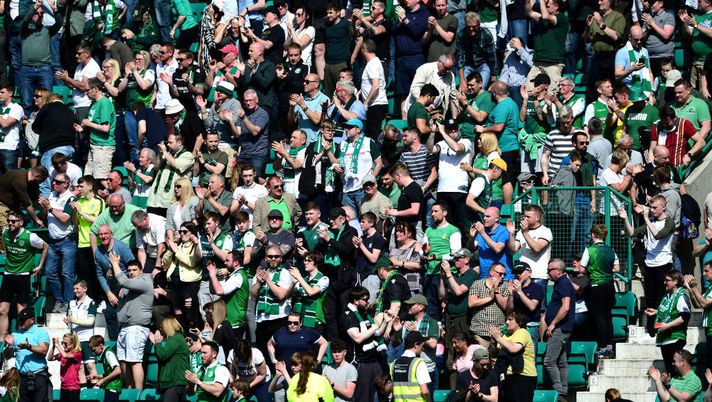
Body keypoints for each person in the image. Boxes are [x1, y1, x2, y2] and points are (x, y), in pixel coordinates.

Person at [0, 209, 47, 338]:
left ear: (21, 222)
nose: (10, 223)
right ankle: (2, 340)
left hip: (23, 275)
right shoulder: (5, 233)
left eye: (13, 221)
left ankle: (21, 338)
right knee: (2, 310)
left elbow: (45, 246)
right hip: (8, 275)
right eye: (9, 221)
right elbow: (6, 246)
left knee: (22, 312)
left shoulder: (30, 237)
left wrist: (40, 265)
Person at [343, 286, 393, 402]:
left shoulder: (365, 314)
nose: (368, 302)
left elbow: (375, 333)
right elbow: (358, 338)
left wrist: (385, 322)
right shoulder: (348, 315)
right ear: (356, 301)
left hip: (374, 361)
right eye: (365, 299)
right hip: (360, 363)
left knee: (380, 395)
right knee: (363, 397)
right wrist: (376, 325)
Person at [111, 256, 153, 391]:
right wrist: (112, 267)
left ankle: (138, 393)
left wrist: (114, 262)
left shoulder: (145, 281)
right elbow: (116, 279)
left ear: (141, 271)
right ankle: (129, 392)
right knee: (123, 362)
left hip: (136, 327)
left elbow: (123, 280)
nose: (131, 272)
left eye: (134, 270)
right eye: (129, 270)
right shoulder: (128, 284)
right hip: (124, 327)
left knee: (134, 361)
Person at [580, 224, 619, 358]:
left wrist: (591, 270)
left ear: (593, 235)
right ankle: (610, 345)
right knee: (608, 316)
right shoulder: (611, 249)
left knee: (599, 318)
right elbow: (617, 268)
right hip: (610, 285)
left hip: (597, 285)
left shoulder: (590, 250)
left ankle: (603, 347)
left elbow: (581, 268)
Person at [541, 259, 576, 401]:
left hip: (560, 328)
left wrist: (553, 324)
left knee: (549, 361)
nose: (548, 272)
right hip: (562, 328)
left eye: (550, 270)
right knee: (561, 362)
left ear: (558, 270)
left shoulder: (563, 283)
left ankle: (559, 391)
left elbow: (565, 306)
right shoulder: (561, 283)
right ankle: (563, 391)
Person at [645, 270, 691, 374]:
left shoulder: (681, 296)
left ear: (675, 281)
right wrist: (656, 312)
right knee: (669, 370)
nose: (664, 282)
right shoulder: (668, 296)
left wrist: (667, 326)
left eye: (667, 280)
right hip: (665, 338)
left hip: (675, 337)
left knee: (675, 370)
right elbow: (670, 312)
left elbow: (684, 317)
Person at [488, 312, 537, 402]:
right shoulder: (505, 336)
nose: (507, 322)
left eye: (510, 320)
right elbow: (494, 354)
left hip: (523, 377)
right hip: (506, 377)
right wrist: (494, 342)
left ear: (520, 322)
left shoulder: (523, 332)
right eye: (506, 319)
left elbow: (513, 348)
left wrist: (498, 338)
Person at [4, 308, 50, 402]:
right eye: (19, 320)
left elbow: (44, 351)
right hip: (22, 377)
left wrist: (29, 347)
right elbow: (7, 356)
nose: (20, 322)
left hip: (39, 376)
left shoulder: (41, 333)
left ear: (32, 320)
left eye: (23, 320)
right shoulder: (15, 334)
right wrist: (8, 347)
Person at [468, 261, 510, 350]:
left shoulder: (505, 286)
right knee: (480, 360)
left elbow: (505, 306)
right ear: (491, 272)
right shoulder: (478, 284)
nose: (502, 276)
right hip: (480, 332)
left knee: (496, 361)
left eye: (504, 274)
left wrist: (496, 291)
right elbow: (471, 303)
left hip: (498, 332)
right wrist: (490, 298)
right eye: (500, 274)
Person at [506, 205, 552, 286]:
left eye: (528, 217)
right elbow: (512, 250)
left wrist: (525, 233)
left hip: (538, 276)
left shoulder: (545, 231)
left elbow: (537, 248)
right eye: (524, 216)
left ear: (537, 218)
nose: (525, 219)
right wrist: (511, 234)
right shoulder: (521, 231)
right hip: (522, 274)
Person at [149, 316, 190, 402]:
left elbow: (162, 355)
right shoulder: (177, 338)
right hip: (175, 381)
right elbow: (163, 358)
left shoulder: (175, 339)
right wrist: (157, 344)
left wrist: (158, 342)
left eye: (162, 328)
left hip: (175, 381)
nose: (161, 331)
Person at [65, 280, 98, 385]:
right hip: (76, 340)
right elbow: (70, 322)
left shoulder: (91, 302)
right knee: (80, 367)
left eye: (77, 288)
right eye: (74, 289)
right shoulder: (71, 303)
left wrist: (73, 320)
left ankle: (96, 389)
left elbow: (90, 322)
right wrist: (68, 322)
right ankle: (83, 390)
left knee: (90, 365)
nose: (75, 291)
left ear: (85, 289)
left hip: (87, 339)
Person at [288, 251, 330, 333]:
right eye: (305, 260)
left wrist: (299, 277)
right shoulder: (303, 279)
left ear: (317, 263)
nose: (305, 263)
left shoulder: (324, 279)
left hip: (313, 320)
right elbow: (288, 295)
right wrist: (293, 283)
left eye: (309, 261)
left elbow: (311, 292)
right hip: (298, 320)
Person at [389, 331, 431, 402]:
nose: (423, 348)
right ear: (416, 345)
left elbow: (393, 388)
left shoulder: (394, 364)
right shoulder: (419, 363)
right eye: (422, 345)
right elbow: (424, 391)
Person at [48, 332, 82, 402]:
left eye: (65, 343)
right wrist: (54, 346)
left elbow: (66, 356)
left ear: (73, 343)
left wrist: (58, 345)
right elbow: (50, 358)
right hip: (63, 386)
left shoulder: (77, 353)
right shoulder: (62, 353)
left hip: (73, 388)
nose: (63, 345)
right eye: (62, 343)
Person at [88, 335, 123, 402]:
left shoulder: (108, 353)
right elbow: (110, 373)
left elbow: (117, 371)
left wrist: (102, 380)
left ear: (101, 346)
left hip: (113, 387)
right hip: (109, 387)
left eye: (94, 350)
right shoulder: (104, 354)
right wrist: (97, 376)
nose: (93, 353)